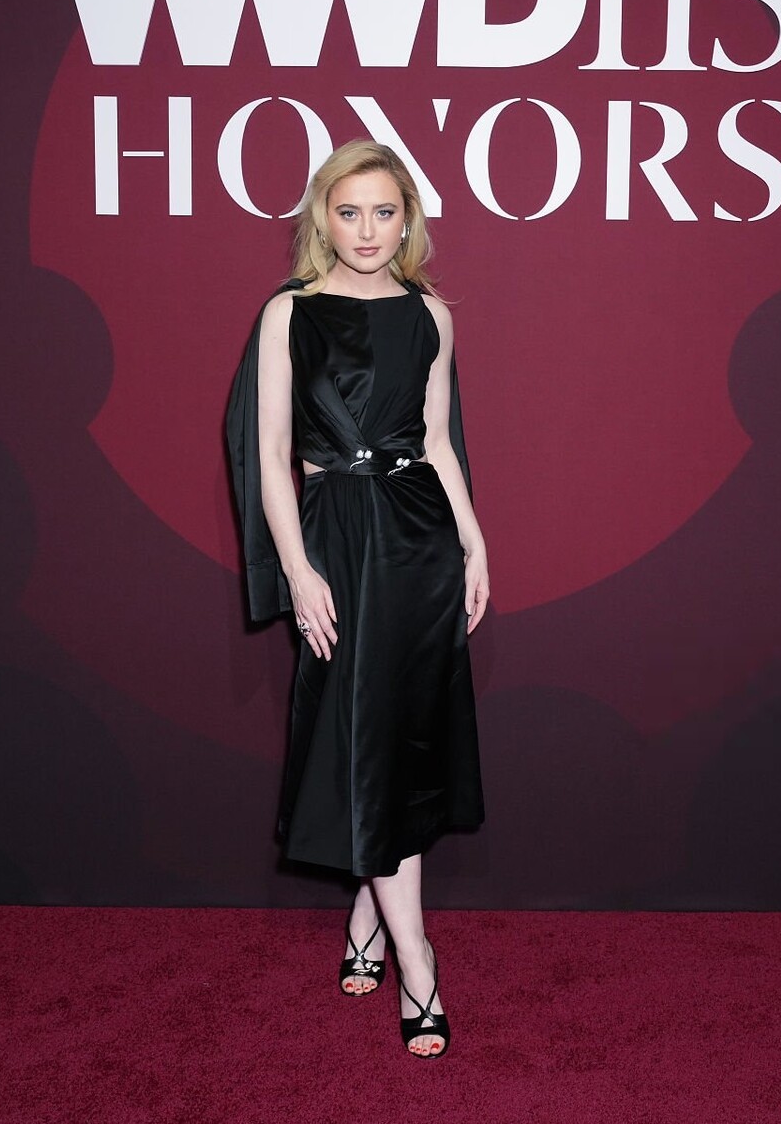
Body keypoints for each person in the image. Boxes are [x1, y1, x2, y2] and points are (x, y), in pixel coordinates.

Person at [224, 140, 489, 1059]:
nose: (368, 230)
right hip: (334, 539)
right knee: (360, 736)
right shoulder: (288, 313)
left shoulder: (431, 315)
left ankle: (385, 934)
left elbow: (439, 441)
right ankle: (408, 947)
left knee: (399, 739)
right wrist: (299, 571)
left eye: (384, 211)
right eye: (349, 212)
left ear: (407, 218)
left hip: (420, 545)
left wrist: (474, 538)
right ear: (321, 219)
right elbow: (270, 456)